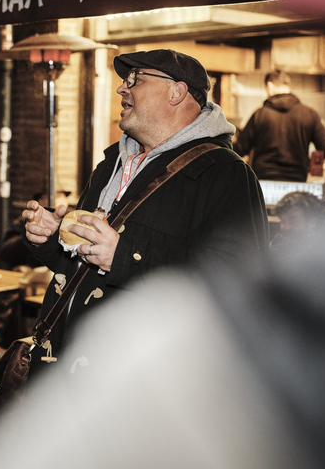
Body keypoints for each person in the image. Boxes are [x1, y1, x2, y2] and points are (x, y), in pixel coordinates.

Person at [21, 49, 269, 376]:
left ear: (176, 92)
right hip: (63, 373)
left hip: (138, 389)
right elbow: (81, 267)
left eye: (135, 79)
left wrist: (124, 255)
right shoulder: (111, 164)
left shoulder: (227, 175)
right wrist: (53, 239)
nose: (122, 88)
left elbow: (237, 288)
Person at [233, 70, 325, 182]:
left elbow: (240, 148)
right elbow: (324, 148)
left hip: (264, 180)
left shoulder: (260, 114)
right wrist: (308, 166)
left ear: (270, 86)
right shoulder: (310, 114)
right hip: (296, 179)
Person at [0, 190, 70, 271]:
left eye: (63, 197)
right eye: (57, 196)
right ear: (40, 201)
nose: (62, 200)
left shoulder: (68, 225)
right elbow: (5, 252)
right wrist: (28, 234)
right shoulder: (24, 223)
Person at [269, 190, 324, 261]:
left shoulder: (324, 255)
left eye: (292, 221)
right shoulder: (279, 242)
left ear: (312, 223)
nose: (284, 227)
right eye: (282, 221)